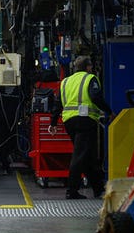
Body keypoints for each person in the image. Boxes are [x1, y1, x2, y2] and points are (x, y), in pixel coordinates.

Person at [48, 55, 113, 199]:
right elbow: (96, 97)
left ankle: (98, 188)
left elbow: (57, 103)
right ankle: (71, 191)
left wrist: (53, 122)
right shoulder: (90, 79)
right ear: (88, 67)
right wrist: (109, 111)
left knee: (87, 155)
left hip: (69, 122)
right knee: (80, 155)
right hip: (85, 120)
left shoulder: (65, 82)